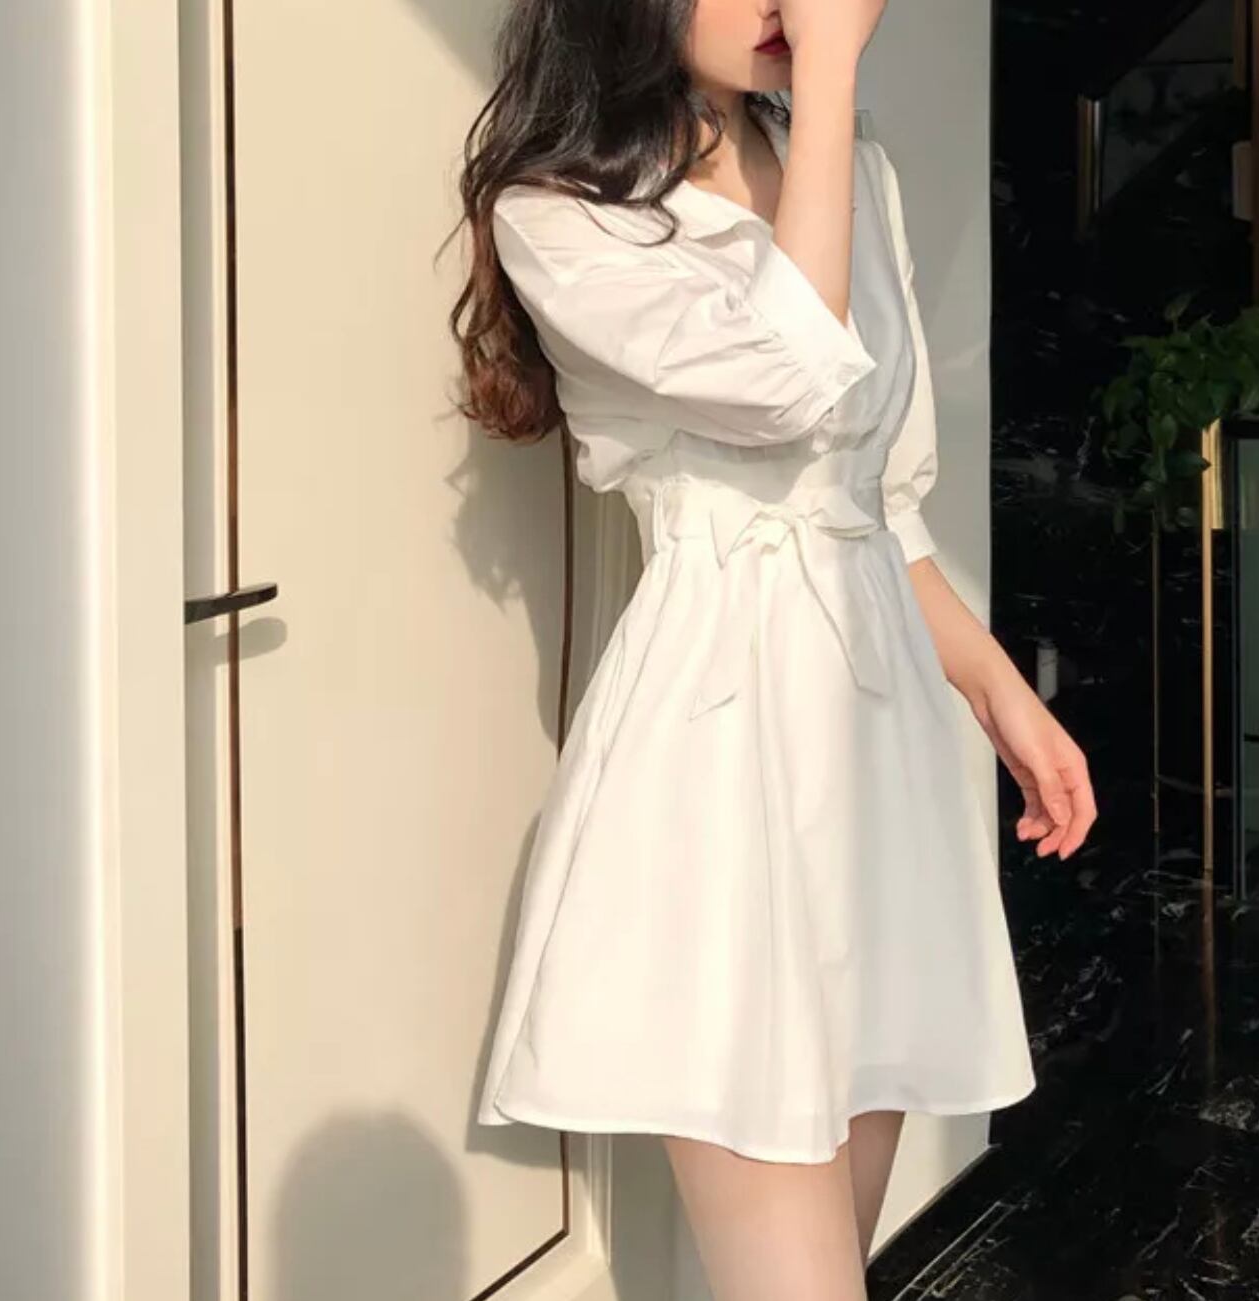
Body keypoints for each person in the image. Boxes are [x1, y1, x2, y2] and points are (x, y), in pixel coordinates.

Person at [449, 0, 1097, 1294]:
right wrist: (838, 70)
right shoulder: (560, 213)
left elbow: (876, 497)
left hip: (880, 755)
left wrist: (998, 694)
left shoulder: (851, 166)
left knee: (832, 1259)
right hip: (727, 756)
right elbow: (790, 379)